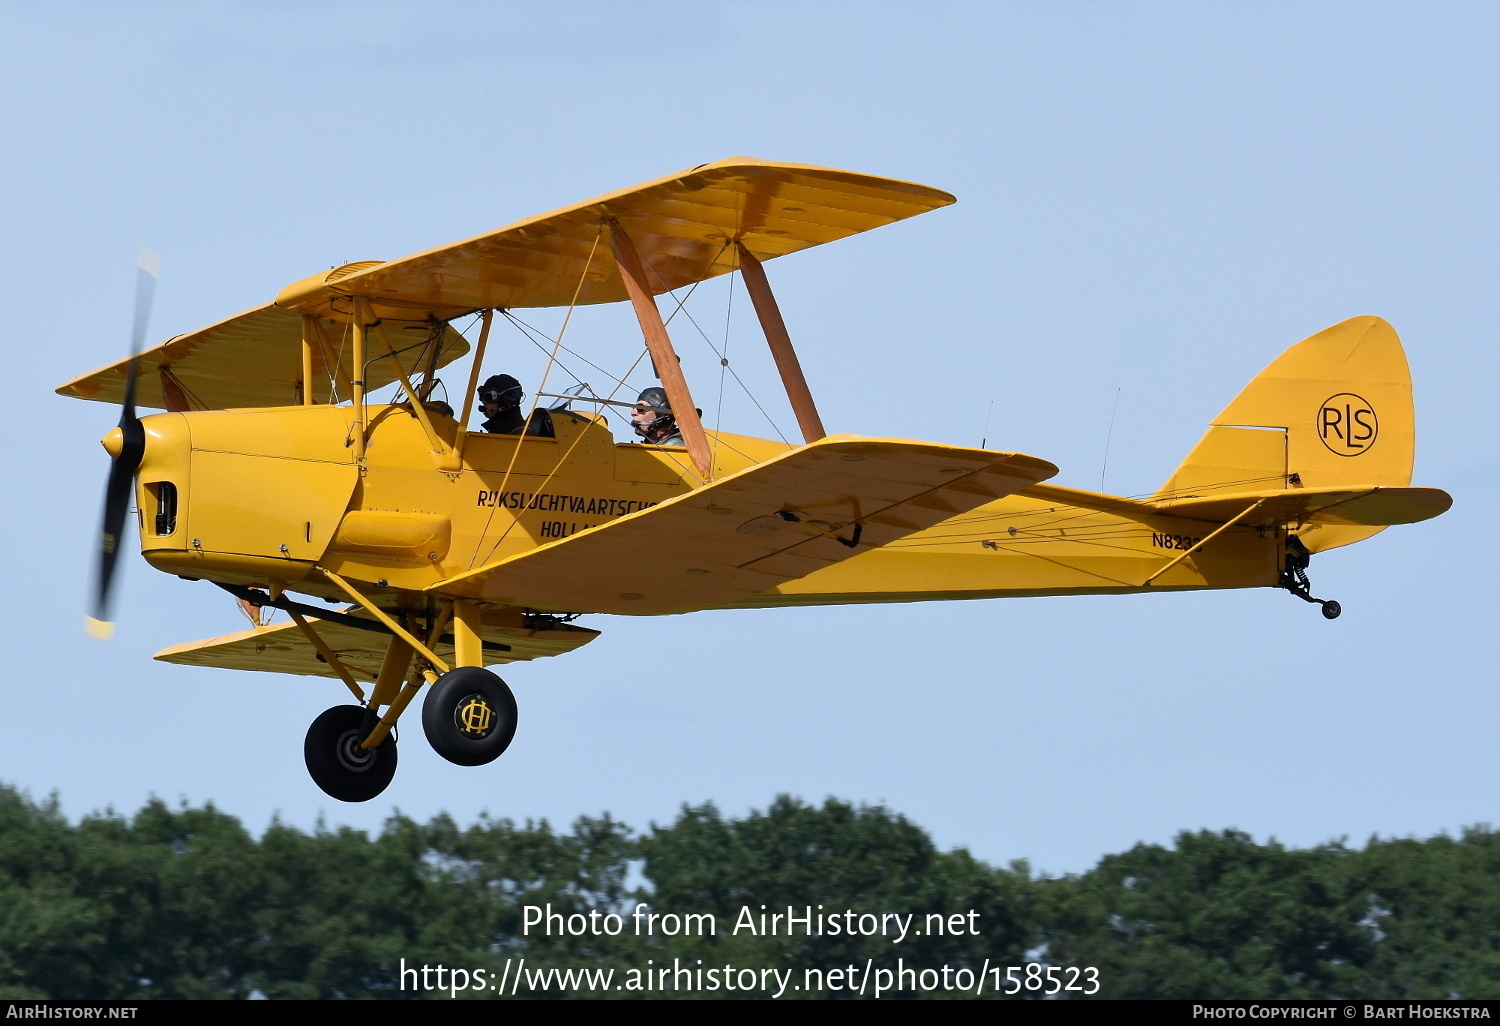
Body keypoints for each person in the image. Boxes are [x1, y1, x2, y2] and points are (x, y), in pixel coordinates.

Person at [478, 374, 553, 437]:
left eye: (490, 395)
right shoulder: (497, 436)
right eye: (481, 395)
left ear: (509, 399)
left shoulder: (523, 437)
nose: (483, 401)